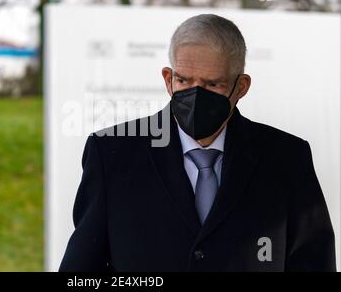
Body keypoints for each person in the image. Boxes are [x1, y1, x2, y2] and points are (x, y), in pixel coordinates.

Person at [59, 14, 336, 272]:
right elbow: (82, 271)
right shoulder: (111, 153)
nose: (195, 95)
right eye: (183, 80)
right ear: (168, 79)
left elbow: (313, 263)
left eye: (212, 84)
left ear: (241, 87)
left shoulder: (286, 157)